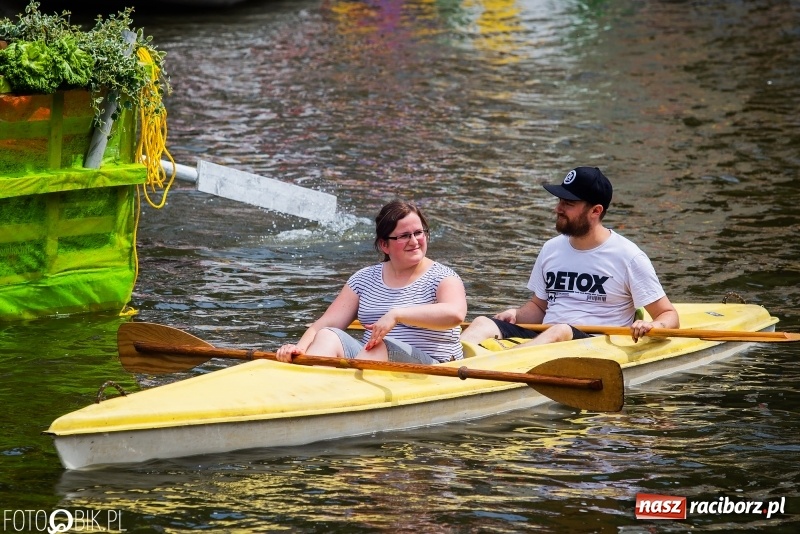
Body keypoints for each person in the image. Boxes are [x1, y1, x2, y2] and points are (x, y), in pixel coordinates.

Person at [460, 166, 679, 347]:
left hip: (595, 344)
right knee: (481, 322)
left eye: (568, 204)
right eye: (560, 201)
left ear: (595, 211)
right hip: (546, 338)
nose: (558, 208)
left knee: (560, 330)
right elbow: (540, 307)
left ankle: (502, 368)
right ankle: (439, 369)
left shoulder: (628, 256)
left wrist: (655, 326)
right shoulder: (551, 249)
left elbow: (668, 314)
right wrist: (516, 314)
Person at [276, 200, 467, 365]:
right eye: (404, 236)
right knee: (327, 335)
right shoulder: (364, 279)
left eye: (418, 232)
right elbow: (326, 323)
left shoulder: (443, 277)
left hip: (435, 366)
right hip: (370, 357)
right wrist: (299, 348)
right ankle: (314, 390)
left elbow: (455, 314)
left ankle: (346, 392)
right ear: (384, 245)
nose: (414, 241)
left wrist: (396, 315)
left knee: (378, 347)